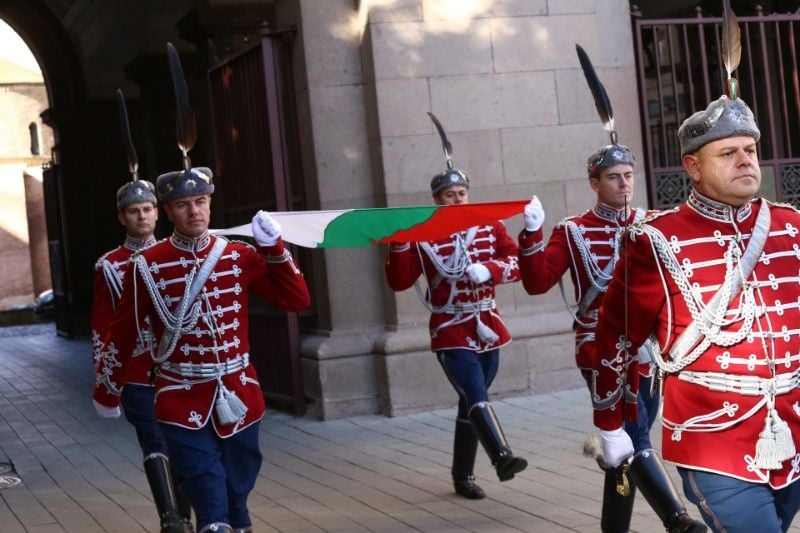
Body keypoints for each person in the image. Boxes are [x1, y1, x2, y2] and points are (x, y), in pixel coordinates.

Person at [590, 90, 800, 531]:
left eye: (750, 150)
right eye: (728, 153)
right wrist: (611, 424)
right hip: (713, 438)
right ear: (693, 167)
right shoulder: (654, 240)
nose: (745, 161)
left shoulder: (791, 225)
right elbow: (617, 337)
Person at [92, 163, 311, 532]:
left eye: (200, 201)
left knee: (238, 491)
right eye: (182, 205)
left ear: (210, 203)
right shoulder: (146, 264)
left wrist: (275, 250)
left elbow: (296, 300)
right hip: (181, 395)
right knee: (208, 497)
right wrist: (108, 391)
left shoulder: (237, 255)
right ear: (167, 211)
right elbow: (122, 331)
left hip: (239, 391)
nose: (194, 211)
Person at [385, 113, 527, 500]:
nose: (458, 200)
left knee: (470, 402)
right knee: (476, 392)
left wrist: (492, 268)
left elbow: (519, 265)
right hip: (451, 328)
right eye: (450, 196)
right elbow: (399, 282)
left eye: (462, 193)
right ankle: (502, 457)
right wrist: (400, 243)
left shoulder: (490, 226)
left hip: (488, 324)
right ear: (437, 201)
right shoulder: (423, 236)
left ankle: (462, 477)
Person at [91, 90, 193, 533]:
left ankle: (188, 513)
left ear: (159, 211)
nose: (143, 216)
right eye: (134, 211)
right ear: (122, 217)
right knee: (153, 439)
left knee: (184, 439)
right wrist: (107, 382)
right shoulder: (109, 266)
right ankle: (169, 516)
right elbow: (103, 325)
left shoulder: (180, 253)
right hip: (137, 369)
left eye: (149, 208)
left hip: (181, 365)